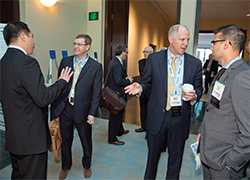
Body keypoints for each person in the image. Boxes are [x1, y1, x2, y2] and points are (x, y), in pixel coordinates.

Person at [125, 24, 203, 179]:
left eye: (187, 39)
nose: (185, 43)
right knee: (152, 159)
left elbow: (199, 89)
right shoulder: (154, 59)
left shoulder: (195, 63)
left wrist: (194, 96)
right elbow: (147, 83)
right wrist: (140, 87)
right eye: (182, 39)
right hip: (157, 117)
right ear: (171, 39)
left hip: (180, 119)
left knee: (175, 162)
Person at [0, 21, 73, 179]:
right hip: (31, 140)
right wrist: (62, 82)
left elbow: (16, 92)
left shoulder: (3, 62)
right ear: (23, 36)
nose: (34, 41)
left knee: (18, 175)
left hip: (15, 137)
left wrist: (41, 87)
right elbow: (43, 99)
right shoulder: (27, 62)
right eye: (32, 36)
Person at [196, 25, 250, 179]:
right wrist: (202, 130)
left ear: (226, 44)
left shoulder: (241, 76)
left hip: (223, 161)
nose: (211, 48)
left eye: (214, 43)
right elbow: (214, 107)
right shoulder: (225, 71)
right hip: (210, 152)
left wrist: (230, 162)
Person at [51, 34, 102, 179]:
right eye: (74, 43)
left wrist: (92, 113)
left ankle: (87, 165)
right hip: (65, 108)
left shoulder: (96, 66)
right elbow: (60, 83)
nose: (75, 46)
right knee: (66, 139)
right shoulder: (65, 61)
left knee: (86, 140)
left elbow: (96, 92)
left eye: (79, 44)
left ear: (88, 47)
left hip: (84, 111)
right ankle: (65, 166)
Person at [107, 44, 133, 145]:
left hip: (114, 92)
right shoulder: (117, 64)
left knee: (119, 113)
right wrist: (128, 80)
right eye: (126, 52)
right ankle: (112, 138)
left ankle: (119, 130)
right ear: (122, 53)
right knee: (115, 115)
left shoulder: (113, 61)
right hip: (116, 94)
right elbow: (118, 81)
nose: (127, 54)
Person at [135, 46, 153, 133]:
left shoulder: (155, 62)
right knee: (142, 109)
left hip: (152, 90)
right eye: (144, 52)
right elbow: (143, 77)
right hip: (143, 90)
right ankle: (143, 126)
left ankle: (149, 129)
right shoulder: (140, 62)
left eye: (147, 52)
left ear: (152, 53)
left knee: (150, 110)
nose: (145, 53)